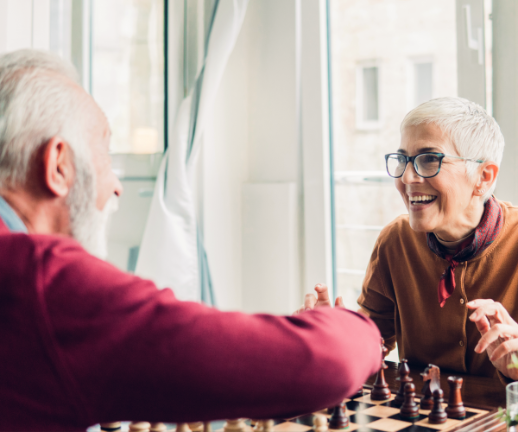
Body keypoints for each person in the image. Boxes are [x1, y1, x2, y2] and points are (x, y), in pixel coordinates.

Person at [0, 49, 381, 431]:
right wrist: (347, 323)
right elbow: (325, 363)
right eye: (105, 155)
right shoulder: (41, 283)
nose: (116, 187)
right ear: (59, 165)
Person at [304, 97, 518, 383]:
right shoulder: (395, 241)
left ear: (483, 176)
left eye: (429, 159)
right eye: (403, 160)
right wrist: (335, 339)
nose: (406, 177)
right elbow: (372, 343)